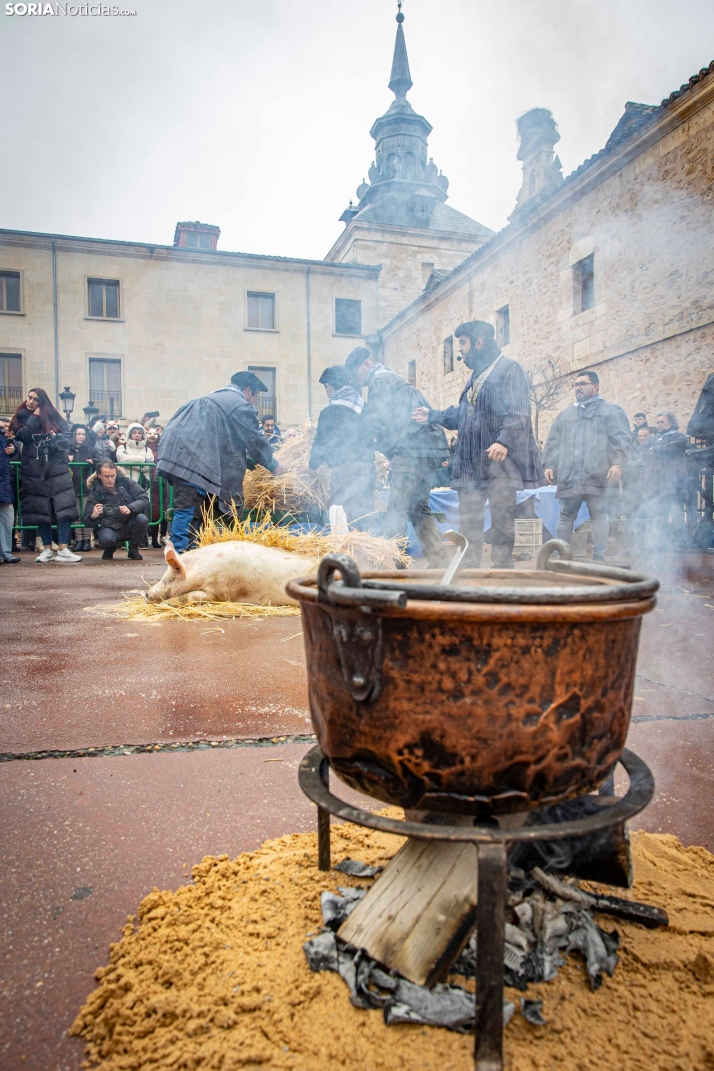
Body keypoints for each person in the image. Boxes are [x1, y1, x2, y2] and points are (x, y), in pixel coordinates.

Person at [414, 320, 543, 568]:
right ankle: (469, 570)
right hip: (470, 466)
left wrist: (503, 441)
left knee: (502, 520)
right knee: (469, 521)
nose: (460, 350)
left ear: (479, 342)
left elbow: (518, 413)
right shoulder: (474, 378)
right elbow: (462, 416)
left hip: (500, 465)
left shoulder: (508, 369)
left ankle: (502, 572)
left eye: (462, 343)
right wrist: (432, 415)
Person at [156, 371, 283, 553]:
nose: (255, 401)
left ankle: (189, 554)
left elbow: (222, 439)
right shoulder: (239, 405)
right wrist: (274, 465)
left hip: (180, 456)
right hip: (192, 461)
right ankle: (179, 557)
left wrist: (245, 461)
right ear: (248, 390)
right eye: (255, 396)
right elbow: (254, 440)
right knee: (187, 509)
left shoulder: (214, 398)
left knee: (195, 511)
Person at [345, 347, 449, 567]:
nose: (358, 381)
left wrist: (366, 441)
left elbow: (379, 421)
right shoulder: (395, 379)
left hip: (410, 451)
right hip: (428, 450)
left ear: (366, 363)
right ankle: (440, 561)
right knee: (418, 507)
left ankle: (393, 564)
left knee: (396, 508)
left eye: (357, 374)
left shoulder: (380, 381)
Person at [543, 371, 631, 563]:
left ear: (596, 386)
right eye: (575, 385)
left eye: (583, 384)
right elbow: (553, 442)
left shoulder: (610, 411)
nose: (578, 388)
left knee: (599, 514)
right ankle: (560, 557)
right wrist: (549, 464)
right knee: (565, 515)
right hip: (569, 474)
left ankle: (598, 559)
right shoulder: (565, 414)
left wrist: (617, 464)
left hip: (598, 473)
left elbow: (621, 439)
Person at [10, 388, 82, 563]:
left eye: (35, 399)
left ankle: (64, 548)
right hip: (34, 469)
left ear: (42, 402)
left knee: (63, 506)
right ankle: (47, 548)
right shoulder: (22, 416)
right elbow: (23, 436)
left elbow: (67, 437)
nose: (31, 401)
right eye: (30, 397)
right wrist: (35, 416)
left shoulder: (54, 416)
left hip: (57, 467)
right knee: (41, 508)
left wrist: (55, 439)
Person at [309, 365, 376, 530]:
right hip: (367, 468)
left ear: (329, 386)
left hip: (344, 470)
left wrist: (311, 466)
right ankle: (367, 549)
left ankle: (345, 551)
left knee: (340, 512)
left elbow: (321, 443)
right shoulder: (363, 407)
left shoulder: (330, 411)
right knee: (364, 511)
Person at [638, 411, 689, 553]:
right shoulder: (651, 440)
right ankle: (660, 543)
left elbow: (672, 449)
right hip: (655, 485)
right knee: (659, 516)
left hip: (674, 485)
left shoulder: (680, 438)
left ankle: (679, 544)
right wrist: (656, 450)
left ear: (671, 423)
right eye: (658, 422)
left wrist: (654, 450)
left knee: (677, 514)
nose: (659, 425)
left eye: (662, 422)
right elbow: (642, 451)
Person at [84, 460, 150, 560]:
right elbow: (86, 521)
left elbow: (144, 498)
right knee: (106, 540)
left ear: (116, 473)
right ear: (99, 475)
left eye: (113, 476)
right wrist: (93, 515)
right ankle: (110, 547)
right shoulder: (95, 491)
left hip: (129, 522)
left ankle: (133, 549)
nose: (110, 479)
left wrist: (130, 508)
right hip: (110, 526)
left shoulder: (127, 482)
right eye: (106, 476)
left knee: (142, 519)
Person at [67, 424, 98, 551]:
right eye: (78, 434)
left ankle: (86, 540)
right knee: (76, 515)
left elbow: (100, 461)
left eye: (83, 434)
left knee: (87, 514)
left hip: (87, 487)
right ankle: (78, 540)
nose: (80, 436)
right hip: (72, 486)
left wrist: (94, 461)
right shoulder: (68, 449)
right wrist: (66, 458)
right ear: (74, 435)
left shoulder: (90, 449)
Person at [0, 418, 20, 564]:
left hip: (6, 487)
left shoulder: (7, 441)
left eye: (7, 426)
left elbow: (15, 451)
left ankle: (5, 553)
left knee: (8, 520)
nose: (6, 428)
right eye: (3, 426)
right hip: (4, 486)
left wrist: (13, 451)